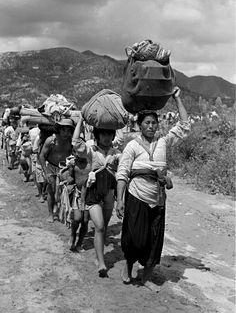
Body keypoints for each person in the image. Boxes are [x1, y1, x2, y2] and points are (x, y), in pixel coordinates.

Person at [116, 86, 190, 291]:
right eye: (147, 122)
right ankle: (128, 264)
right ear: (139, 125)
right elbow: (122, 173)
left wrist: (177, 99)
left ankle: (145, 277)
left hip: (157, 198)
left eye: (154, 122)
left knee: (154, 240)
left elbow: (184, 126)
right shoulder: (132, 146)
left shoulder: (163, 142)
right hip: (136, 195)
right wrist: (120, 200)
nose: (151, 126)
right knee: (134, 238)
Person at [72, 120, 122, 278]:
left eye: (109, 134)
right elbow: (75, 142)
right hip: (93, 193)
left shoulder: (116, 153)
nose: (107, 137)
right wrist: (81, 119)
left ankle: (98, 256)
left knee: (104, 227)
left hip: (109, 194)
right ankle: (101, 264)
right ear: (97, 136)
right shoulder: (91, 151)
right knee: (99, 226)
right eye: (103, 134)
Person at [39, 118, 75, 222]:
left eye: (69, 131)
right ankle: (51, 214)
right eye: (64, 130)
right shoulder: (51, 140)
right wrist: (47, 173)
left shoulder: (70, 141)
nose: (66, 133)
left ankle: (64, 212)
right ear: (59, 129)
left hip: (64, 168)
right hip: (51, 166)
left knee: (67, 190)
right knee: (51, 190)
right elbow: (41, 156)